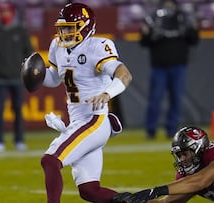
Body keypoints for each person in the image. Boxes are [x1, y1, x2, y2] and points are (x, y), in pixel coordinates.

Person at [39, 3, 132, 203]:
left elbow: (124, 75)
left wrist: (107, 93)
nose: (65, 32)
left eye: (70, 27)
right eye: (62, 28)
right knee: (90, 191)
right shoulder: (57, 46)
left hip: (94, 120)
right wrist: (36, 74)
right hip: (78, 122)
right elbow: (54, 78)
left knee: (50, 160)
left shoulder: (97, 47)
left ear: (85, 26)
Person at [140, 0, 199, 140]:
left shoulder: (183, 18)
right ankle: (151, 130)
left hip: (178, 66)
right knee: (155, 99)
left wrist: (194, 29)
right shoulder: (154, 18)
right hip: (159, 66)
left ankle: (171, 130)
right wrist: (147, 34)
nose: (168, 6)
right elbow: (144, 42)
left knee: (176, 100)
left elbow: (194, 40)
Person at [0, 1, 34, 152]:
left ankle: (19, 140)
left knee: (18, 110)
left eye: (7, 12)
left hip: (17, 78)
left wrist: (22, 68)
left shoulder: (20, 30)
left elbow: (29, 51)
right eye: (2, 12)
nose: (5, 15)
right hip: (0, 78)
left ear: (12, 13)